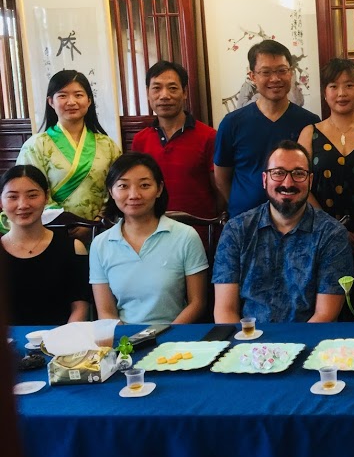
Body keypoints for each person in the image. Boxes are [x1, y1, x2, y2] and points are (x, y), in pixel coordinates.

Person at [212, 140, 353, 323]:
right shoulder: (236, 230)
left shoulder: (332, 234)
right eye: (278, 173)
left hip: (310, 342)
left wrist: (291, 351)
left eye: (298, 174)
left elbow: (325, 316)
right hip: (249, 343)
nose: (288, 183)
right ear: (265, 180)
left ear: (310, 181)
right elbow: (225, 312)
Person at [298, 59, 354, 320]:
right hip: (320, 234)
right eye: (334, 86)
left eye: (349, 85)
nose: (342, 93)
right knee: (326, 305)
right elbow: (302, 185)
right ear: (325, 92)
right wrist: (334, 229)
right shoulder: (309, 133)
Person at [90, 153, 208, 324]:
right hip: (125, 341)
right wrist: (128, 343)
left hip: (175, 339)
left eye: (144, 185)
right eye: (123, 186)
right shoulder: (100, 245)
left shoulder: (185, 236)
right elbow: (106, 312)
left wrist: (166, 336)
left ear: (159, 189)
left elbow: (197, 303)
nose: (134, 195)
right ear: (111, 191)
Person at [214, 40, 319, 218]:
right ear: (253, 76)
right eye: (266, 72)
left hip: (295, 221)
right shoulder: (232, 123)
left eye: (281, 71)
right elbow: (221, 178)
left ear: (291, 73)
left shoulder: (309, 122)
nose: (275, 79)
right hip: (245, 222)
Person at [17, 70, 121, 236]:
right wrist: (66, 223)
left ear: (89, 100)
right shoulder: (36, 146)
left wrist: (96, 223)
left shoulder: (108, 145)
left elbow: (119, 187)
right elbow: (28, 190)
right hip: (51, 233)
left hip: (100, 231)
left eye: (78, 95)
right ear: (51, 101)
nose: (71, 102)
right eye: (63, 96)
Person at [131, 61, 219, 227]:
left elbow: (220, 192)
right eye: (156, 88)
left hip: (199, 233)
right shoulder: (140, 140)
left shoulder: (209, 137)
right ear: (148, 93)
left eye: (172, 88)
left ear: (184, 92)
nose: (164, 95)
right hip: (152, 232)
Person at [0, 165, 89, 324]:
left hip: (62, 342)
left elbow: (80, 307)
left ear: (46, 197)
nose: (23, 205)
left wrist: (63, 342)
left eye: (32, 195)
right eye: (13, 197)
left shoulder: (73, 248)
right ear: (1, 201)